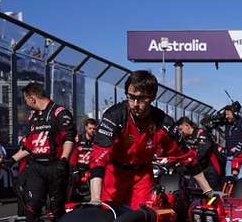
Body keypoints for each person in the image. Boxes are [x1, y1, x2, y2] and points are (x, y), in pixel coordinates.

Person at [89, 70, 216, 209]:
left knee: (144, 219)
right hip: (114, 175)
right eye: (131, 97)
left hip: (142, 176)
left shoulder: (163, 122)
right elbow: (98, 156)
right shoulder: (114, 115)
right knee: (108, 214)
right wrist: (95, 198)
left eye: (142, 98)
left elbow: (187, 157)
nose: (135, 104)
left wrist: (208, 191)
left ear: (152, 97)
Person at [4, 82, 75, 222]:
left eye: (25, 100)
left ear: (31, 97)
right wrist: (12, 159)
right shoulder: (33, 117)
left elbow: (69, 138)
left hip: (56, 167)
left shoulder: (60, 113)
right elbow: (29, 145)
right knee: (32, 207)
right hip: (36, 168)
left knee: (56, 210)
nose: (25, 103)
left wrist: (64, 160)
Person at [175, 116, 224, 192]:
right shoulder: (185, 139)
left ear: (187, 125)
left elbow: (202, 151)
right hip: (197, 168)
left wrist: (189, 161)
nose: (181, 132)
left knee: (215, 192)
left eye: (181, 129)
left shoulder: (201, 133)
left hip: (211, 167)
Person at [68, 118, 97, 200]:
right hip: (77, 168)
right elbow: (73, 156)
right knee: (71, 184)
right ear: (86, 128)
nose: (92, 131)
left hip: (89, 169)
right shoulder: (79, 139)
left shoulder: (97, 141)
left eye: (94, 129)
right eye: (90, 128)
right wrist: (75, 170)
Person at [221, 104, 242, 177]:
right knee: (229, 180)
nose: (226, 116)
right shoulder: (226, 124)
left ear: (234, 113)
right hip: (229, 157)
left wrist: (240, 147)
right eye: (226, 114)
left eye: (228, 114)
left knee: (241, 180)